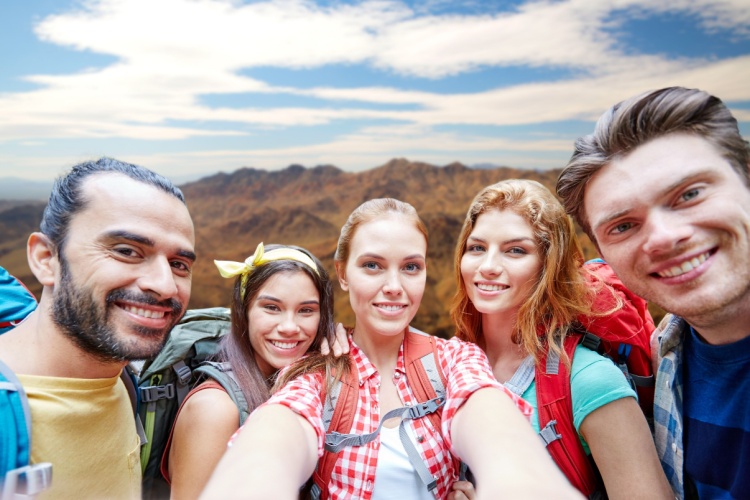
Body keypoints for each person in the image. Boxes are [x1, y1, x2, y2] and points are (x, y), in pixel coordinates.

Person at [202, 198, 580, 500]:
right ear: (343, 274)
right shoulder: (315, 372)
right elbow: (281, 427)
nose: (394, 286)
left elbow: (486, 413)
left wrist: (517, 478)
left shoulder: (455, 359)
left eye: (411, 267)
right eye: (372, 266)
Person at [556, 86, 750, 498]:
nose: (662, 238)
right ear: (603, 255)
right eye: (623, 226)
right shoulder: (669, 351)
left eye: (690, 194)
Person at [450, 179, 671, 499]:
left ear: (547, 266)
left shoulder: (589, 380)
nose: (488, 266)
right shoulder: (447, 363)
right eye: (477, 248)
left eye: (515, 250)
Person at [0, 157, 196, 499]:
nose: (165, 285)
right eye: (127, 251)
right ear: (47, 259)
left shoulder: (123, 380)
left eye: (179, 264)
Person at [163, 242, 337, 499]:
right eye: (271, 308)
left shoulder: (303, 382)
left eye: (306, 310)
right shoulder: (214, 409)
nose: (289, 326)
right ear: (244, 310)